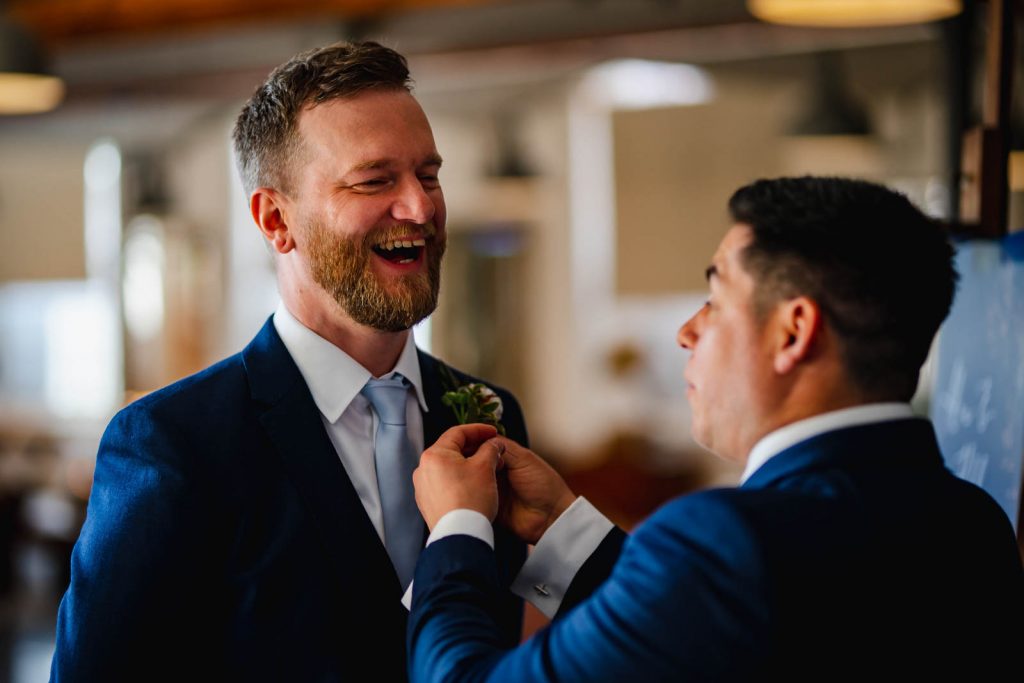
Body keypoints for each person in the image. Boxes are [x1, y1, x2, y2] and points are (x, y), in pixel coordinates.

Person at [408, 176, 1024, 681]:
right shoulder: (973, 521)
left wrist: (458, 529)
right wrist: (561, 528)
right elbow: (726, 622)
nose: (687, 332)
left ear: (793, 331)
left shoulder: (724, 541)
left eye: (717, 300)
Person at [50, 42, 531, 682]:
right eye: (375, 180)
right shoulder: (172, 446)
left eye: (429, 174)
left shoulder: (490, 415)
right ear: (277, 219)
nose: (420, 208)